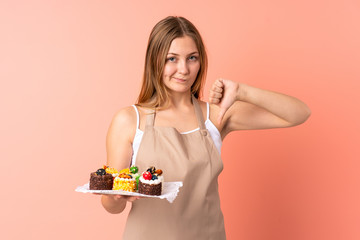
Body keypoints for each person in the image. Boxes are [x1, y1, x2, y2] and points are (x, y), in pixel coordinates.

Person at [100, 16, 311, 239]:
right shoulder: (129, 120)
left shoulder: (217, 115)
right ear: (155, 60)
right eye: (172, 59)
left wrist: (242, 91)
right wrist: (114, 198)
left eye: (192, 58)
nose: (183, 69)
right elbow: (112, 206)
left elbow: (299, 113)